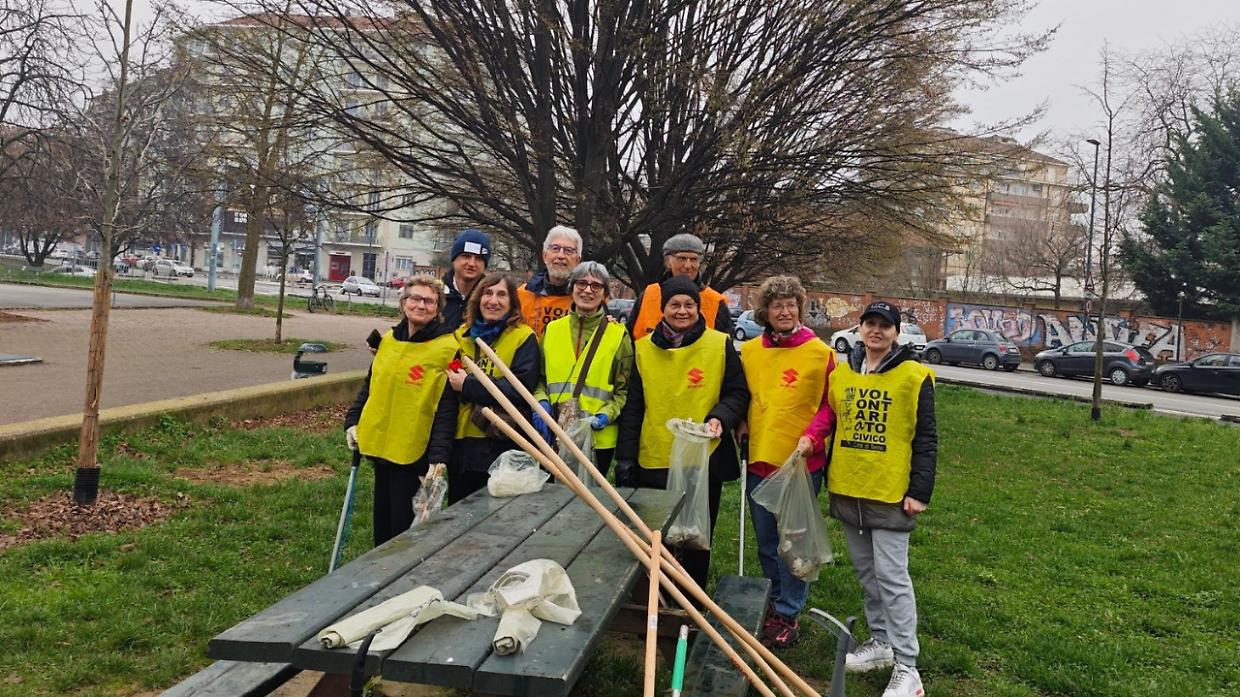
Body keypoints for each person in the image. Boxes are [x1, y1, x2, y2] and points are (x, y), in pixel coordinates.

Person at [830, 301, 937, 697]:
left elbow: (926, 437)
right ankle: (881, 642)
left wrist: (919, 492)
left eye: (884, 326)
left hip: (891, 494)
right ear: (860, 328)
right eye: (870, 324)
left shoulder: (915, 375)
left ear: (896, 332)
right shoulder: (842, 374)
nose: (876, 331)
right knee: (867, 574)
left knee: (893, 578)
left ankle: (908, 667)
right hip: (848, 488)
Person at [616, 275, 749, 589]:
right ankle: (653, 595)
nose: (682, 311)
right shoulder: (643, 349)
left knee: (696, 535)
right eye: (674, 304)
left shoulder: (719, 344)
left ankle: (691, 596)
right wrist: (625, 459)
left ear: (698, 308)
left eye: (689, 304)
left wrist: (720, 418)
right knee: (657, 534)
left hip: (703, 458)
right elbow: (634, 408)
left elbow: (737, 393)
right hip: (656, 454)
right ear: (663, 309)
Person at [738, 275, 836, 649]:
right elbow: (742, 395)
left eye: (791, 304)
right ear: (765, 311)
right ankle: (775, 600)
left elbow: (830, 403)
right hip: (760, 459)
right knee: (766, 541)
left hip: (800, 464)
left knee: (793, 544)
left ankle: (789, 610)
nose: (785, 311)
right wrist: (741, 423)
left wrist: (813, 437)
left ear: (800, 307)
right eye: (777, 305)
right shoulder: (750, 352)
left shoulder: (820, 352)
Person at [343, 275, 460, 546]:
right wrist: (352, 421)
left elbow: (446, 407)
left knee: (404, 531)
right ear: (403, 302)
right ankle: (380, 571)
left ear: (438, 308)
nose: (421, 305)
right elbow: (370, 385)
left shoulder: (448, 349)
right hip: (381, 445)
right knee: (382, 526)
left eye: (429, 301)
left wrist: (440, 456)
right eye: (415, 298)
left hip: (414, 453)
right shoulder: (387, 342)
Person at [445, 272, 541, 502]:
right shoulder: (460, 336)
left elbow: (519, 391)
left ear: (512, 303)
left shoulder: (522, 337)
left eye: (501, 295)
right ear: (477, 299)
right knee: (459, 515)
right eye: (487, 293)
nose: (493, 301)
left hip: (499, 442)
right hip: (461, 441)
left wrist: (468, 386)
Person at [533, 261, 634, 476]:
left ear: (605, 294)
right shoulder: (552, 330)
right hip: (554, 436)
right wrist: (541, 403)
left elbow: (623, 391)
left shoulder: (618, 335)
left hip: (598, 441)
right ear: (571, 288)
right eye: (581, 283)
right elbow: (540, 378)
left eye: (596, 286)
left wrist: (606, 415)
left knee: (587, 508)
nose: (587, 290)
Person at [627, 233, 734, 340]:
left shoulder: (715, 302)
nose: (688, 266)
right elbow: (629, 341)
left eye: (693, 259)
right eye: (682, 258)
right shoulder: (648, 295)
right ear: (668, 262)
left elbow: (725, 349)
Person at [517, 225, 582, 338]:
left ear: (577, 260)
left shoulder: (586, 299)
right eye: (555, 248)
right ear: (544, 256)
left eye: (568, 250)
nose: (561, 255)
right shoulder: (522, 295)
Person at [441, 228, 492, 329]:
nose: (472, 264)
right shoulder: (435, 294)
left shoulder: (491, 300)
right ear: (454, 260)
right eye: (466, 256)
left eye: (478, 258)